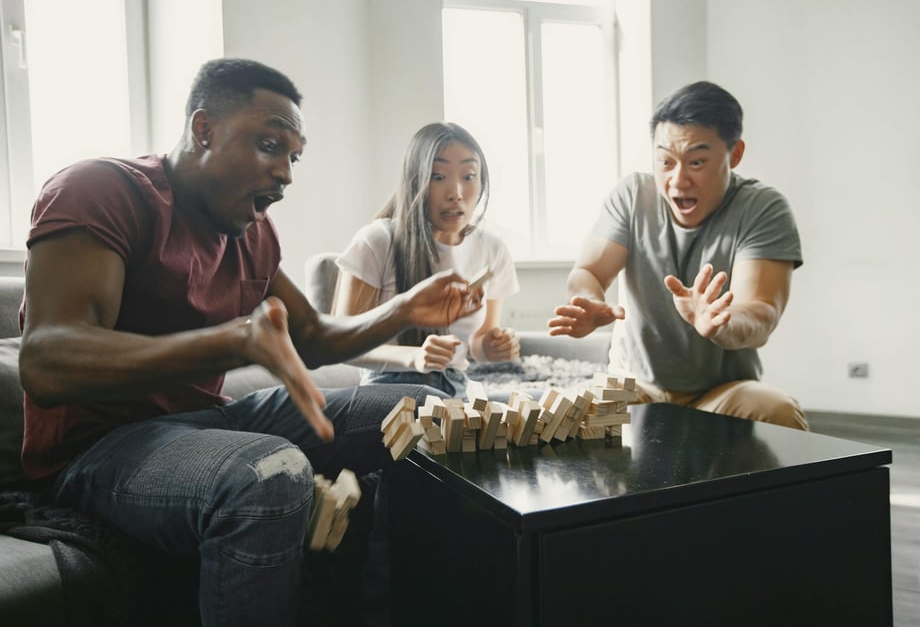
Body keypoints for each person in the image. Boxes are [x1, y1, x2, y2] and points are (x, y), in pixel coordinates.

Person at [17, 58, 482, 627]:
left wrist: (402, 309)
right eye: (269, 145)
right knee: (271, 471)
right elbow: (47, 361)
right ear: (202, 128)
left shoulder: (252, 229)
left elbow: (309, 334)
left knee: (429, 408)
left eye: (294, 156)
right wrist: (231, 342)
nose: (285, 172)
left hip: (207, 423)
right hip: (98, 448)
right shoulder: (101, 190)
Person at [549, 81, 806, 430]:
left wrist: (722, 324)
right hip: (635, 387)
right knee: (567, 416)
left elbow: (761, 312)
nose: (678, 180)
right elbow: (589, 272)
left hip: (721, 395)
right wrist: (588, 301)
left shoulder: (762, 208)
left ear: (735, 154)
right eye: (665, 161)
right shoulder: (633, 196)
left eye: (697, 161)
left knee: (778, 412)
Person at [333, 122, 520, 398]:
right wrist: (414, 357)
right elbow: (341, 344)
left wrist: (493, 347)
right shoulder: (377, 241)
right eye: (437, 176)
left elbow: (479, 341)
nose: (456, 192)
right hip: (387, 389)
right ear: (415, 180)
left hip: (456, 385)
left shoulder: (492, 249)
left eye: (469, 176)